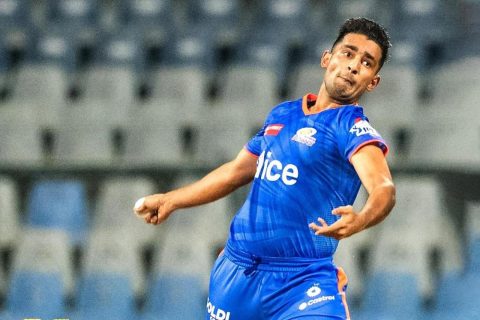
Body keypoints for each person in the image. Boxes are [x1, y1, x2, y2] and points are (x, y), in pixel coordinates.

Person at [134, 17, 396, 320]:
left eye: (366, 62)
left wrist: (361, 220)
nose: (353, 66)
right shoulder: (282, 114)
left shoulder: (352, 128)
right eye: (347, 53)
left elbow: (383, 188)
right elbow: (236, 172)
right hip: (237, 272)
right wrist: (170, 200)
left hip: (303, 284)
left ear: (372, 81)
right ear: (328, 58)